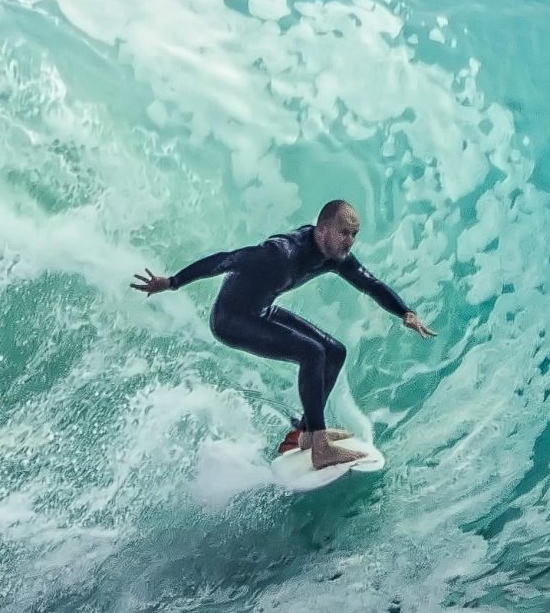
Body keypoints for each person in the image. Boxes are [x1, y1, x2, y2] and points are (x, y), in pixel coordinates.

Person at [132, 200, 435, 471]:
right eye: (344, 233)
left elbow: (368, 282)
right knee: (312, 353)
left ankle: (304, 432)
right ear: (323, 229)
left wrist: (404, 312)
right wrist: (171, 282)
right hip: (231, 320)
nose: (350, 241)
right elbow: (226, 259)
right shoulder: (281, 253)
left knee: (335, 351)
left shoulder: (333, 255)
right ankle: (319, 445)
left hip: (261, 311)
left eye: (354, 234)